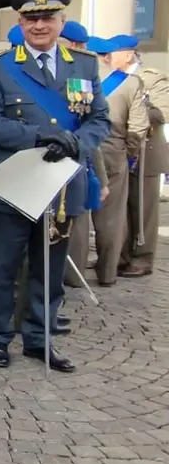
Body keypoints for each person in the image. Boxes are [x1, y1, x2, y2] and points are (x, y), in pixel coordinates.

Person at [0, 0, 109, 373]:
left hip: (62, 184)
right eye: (31, 18)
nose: (39, 25)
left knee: (48, 265)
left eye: (47, 17)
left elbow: (99, 119)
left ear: (62, 20)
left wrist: (75, 144)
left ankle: (39, 337)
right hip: (14, 181)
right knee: (1, 264)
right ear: (20, 21)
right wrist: (38, 136)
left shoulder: (83, 65)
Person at [86, 34, 147, 286]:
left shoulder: (81, 80)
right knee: (110, 217)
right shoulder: (132, 83)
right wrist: (128, 153)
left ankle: (72, 271)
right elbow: (139, 127)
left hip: (81, 147)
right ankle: (107, 273)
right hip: (112, 151)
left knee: (75, 216)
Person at [122, 36, 169, 277]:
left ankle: (143, 257)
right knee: (122, 208)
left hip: (147, 153)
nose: (106, 58)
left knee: (144, 210)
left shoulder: (152, 78)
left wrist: (135, 109)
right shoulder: (112, 80)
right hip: (124, 150)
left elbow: (162, 111)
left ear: (128, 55)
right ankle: (121, 255)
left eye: (112, 53)